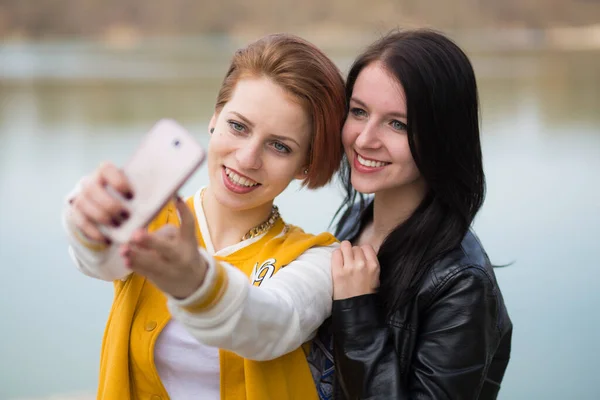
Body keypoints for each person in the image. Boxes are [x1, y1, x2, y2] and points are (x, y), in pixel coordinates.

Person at [62, 33, 347, 400]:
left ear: (304, 166)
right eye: (238, 126)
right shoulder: (148, 218)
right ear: (214, 118)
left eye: (279, 146)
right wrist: (86, 218)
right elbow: (99, 259)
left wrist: (196, 283)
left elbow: (272, 325)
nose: (247, 158)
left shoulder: (318, 259)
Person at [308, 29, 512, 399]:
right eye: (358, 112)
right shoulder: (356, 220)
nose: (364, 139)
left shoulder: (462, 283)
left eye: (397, 123)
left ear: (441, 134)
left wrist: (357, 311)